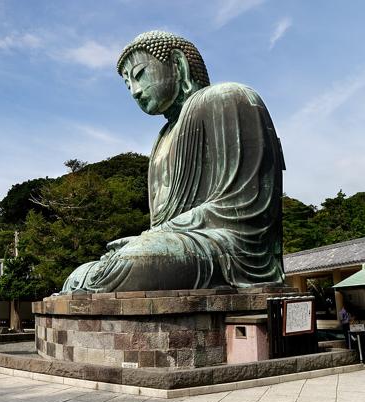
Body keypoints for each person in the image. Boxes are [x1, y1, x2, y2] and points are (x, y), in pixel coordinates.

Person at [62, 30, 285, 294]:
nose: (134, 91)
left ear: (177, 64)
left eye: (140, 74)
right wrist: (154, 237)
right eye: (127, 84)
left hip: (228, 249)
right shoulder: (162, 137)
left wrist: (155, 238)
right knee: (80, 275)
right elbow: (160, 228)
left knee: (137, 261)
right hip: (178, 243)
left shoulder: (229, 99)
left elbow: (246, 206)